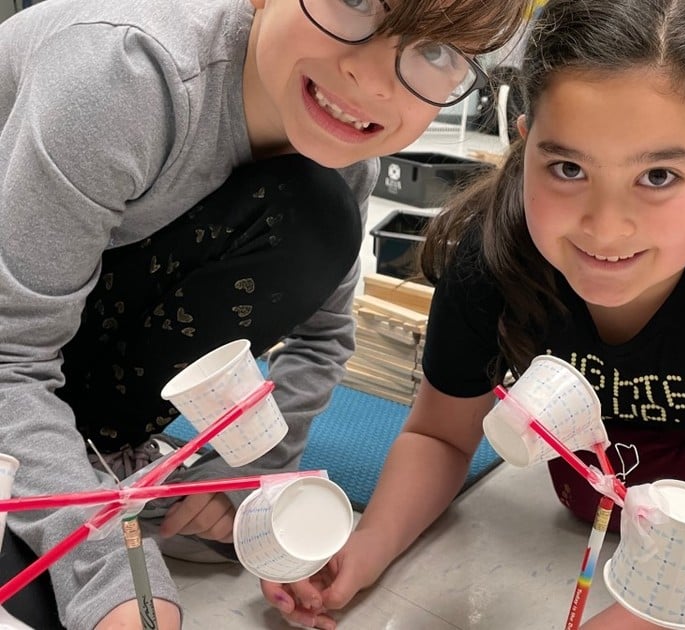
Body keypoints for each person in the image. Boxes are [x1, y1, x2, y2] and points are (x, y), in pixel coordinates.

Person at [266, 0, 685, 627]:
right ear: (523, 149)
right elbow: (440, 434)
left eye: (658, 176)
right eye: (567, 167)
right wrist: (365, 548)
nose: (605, 228)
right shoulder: (492, 259)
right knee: (586, 495)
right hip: (675, 417)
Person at [0, 0, 528, 628]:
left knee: (316, 216)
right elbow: (11, 357)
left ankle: (86, 452)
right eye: (355, 2)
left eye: (436, 51)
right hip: (15, 332)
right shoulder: (125, 75)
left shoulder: (342, 148)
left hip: (62, 331)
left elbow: (324, 338)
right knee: (47, 597)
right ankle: (55, 463)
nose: (373, 80)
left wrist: (244, 473)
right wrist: (106, 570)